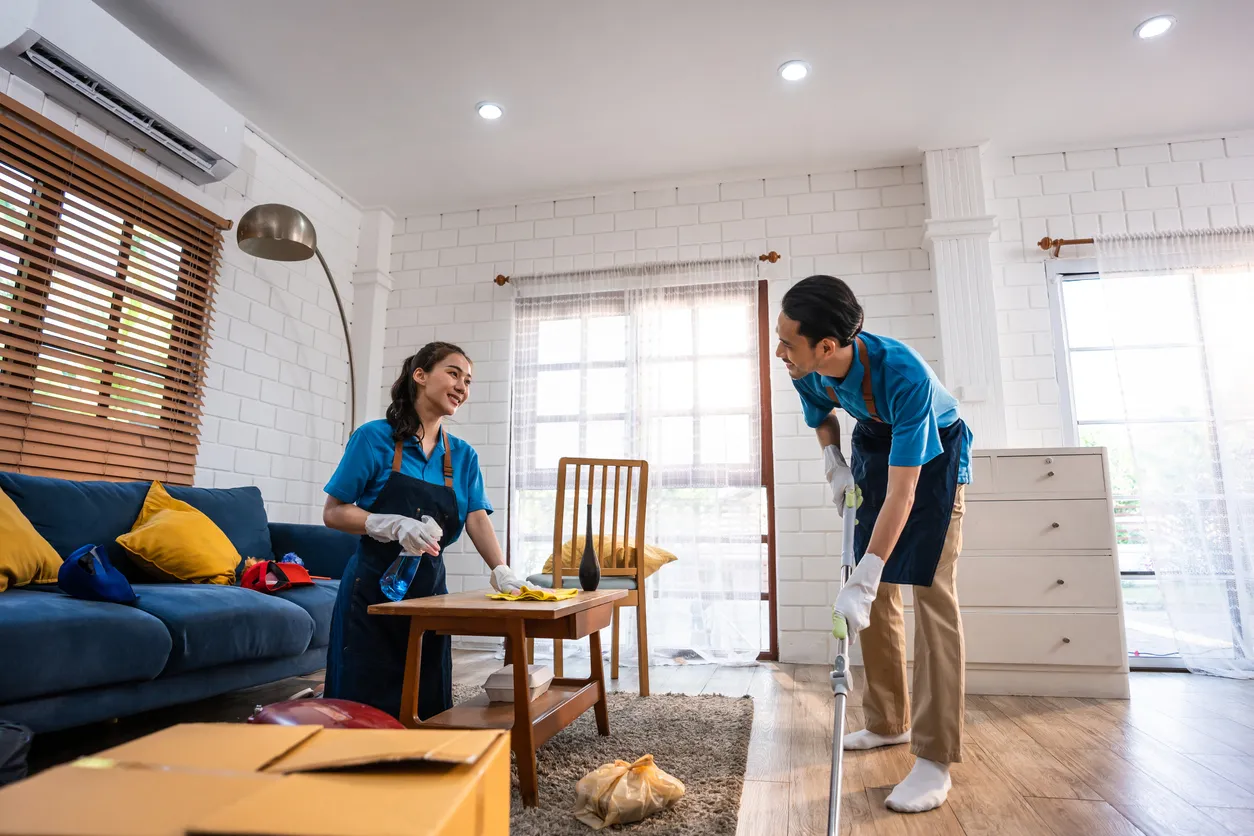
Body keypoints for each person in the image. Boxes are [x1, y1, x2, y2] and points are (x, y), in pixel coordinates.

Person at [776, 275, 972, 814]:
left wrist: (867, 572)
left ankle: (935, 759)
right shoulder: (805, 366)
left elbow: (906, 490)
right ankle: (888, 721)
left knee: (931, 598)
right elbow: (822, 416)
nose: (779, 351)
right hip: (873, 442)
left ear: (828, 346)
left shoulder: (901, 373)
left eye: (788, 341)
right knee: (876, 597)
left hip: (933, 457)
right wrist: (832, 461)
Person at [322, 341, 524, 721]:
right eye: (453, 373)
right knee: (362, 704)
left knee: (427, 698)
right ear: (420, 375)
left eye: (468, 380)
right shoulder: (373, 438)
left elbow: (476, 516)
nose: (462, 386)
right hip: (370, 590)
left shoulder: (463, 455)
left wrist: (501, 570)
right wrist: (388, 523)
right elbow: (333, 513)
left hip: (431, 590)